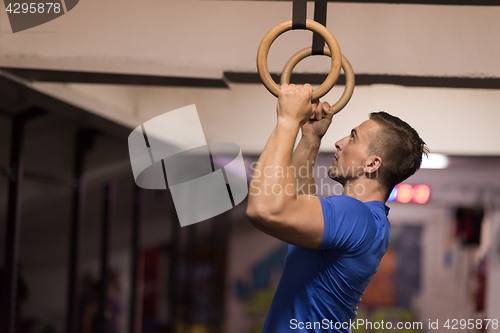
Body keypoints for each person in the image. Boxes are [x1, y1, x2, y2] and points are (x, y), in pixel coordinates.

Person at [246, 83, 428, 332]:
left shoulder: (356, 216)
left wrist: (287, 120)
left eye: (353, 137)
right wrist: (310, 138)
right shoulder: (370, 221)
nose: (339, 143)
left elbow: (264, 209)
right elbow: (299, 207)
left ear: (372, 163)